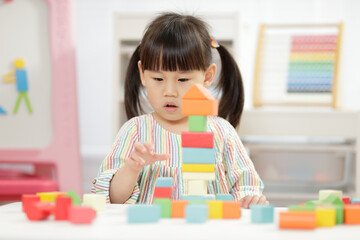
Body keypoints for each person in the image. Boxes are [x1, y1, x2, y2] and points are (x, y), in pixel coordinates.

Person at [92, 12, 268, 208]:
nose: (169, 92)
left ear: (207, 76)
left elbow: (246, 186)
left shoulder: (222, 132)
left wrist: (250, 200)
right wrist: (132, 168)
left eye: (183, 80)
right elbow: (112, 199)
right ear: (142, 74)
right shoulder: (135, 131)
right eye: (158, 79)